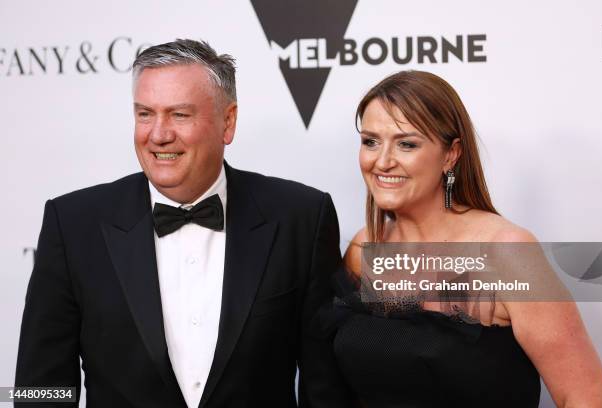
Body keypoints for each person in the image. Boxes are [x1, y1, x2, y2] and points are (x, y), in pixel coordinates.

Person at [15, 39, 352, 407]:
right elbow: (41, 389)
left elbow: (326, 388)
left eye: (179, 114)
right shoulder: (73, 224)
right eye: (145, 114)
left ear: (228, 122)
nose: (158, 134)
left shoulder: (300, 218)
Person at [334, 70, 602, 407]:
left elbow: (585, 396)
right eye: (370, 141)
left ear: (451, 154)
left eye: (406, 144)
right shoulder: (365, 249)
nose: (382, 161)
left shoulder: (507, 253)